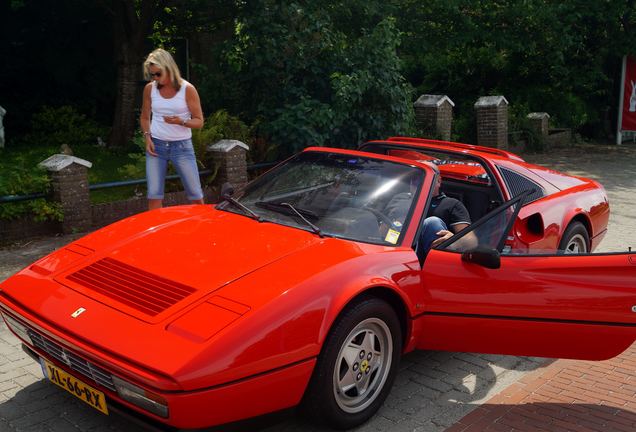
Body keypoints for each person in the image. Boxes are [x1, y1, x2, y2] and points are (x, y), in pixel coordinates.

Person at [140, 48, 205, 210]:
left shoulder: (187, 89)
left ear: (169, 68)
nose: (155, 78)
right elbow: (144, 117)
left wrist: (180, 121)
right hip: (157, 146)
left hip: (182, 146)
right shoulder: (150, 89)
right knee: (154, 195)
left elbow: (199, 122)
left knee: (195, 194)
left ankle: (204, 229)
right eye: (152, 75)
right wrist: (147, 137)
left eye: (158, 74)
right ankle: (156, 232)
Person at [385, 163, 472, 258]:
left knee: (432, 222)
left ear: (438, 181)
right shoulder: (399, 198)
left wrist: (454, 240)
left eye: (423, 177)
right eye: (414, 178)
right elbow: (380, 230)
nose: (417, 182)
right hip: (392, 250)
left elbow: (471, 243)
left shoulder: (452, 204)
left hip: (424, 259)